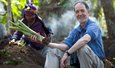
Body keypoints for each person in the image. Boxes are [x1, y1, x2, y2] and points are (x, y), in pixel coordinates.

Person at [45, 1, 105, 68]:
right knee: (53, 51)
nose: (80, 13)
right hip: (80, 63)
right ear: (75, 15)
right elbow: (65, 46)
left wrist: (67, 53)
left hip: (97, 64)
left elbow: (85, 39)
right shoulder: (76, 31)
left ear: (88, 12)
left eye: (82, 11)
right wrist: (46, 43)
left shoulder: (93, 26)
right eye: (77, 12)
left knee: (82, 47)